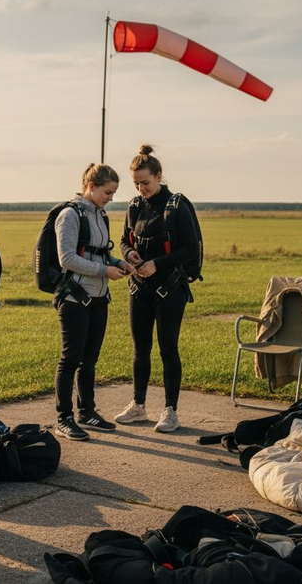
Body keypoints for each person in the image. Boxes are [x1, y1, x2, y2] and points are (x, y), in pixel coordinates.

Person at [114, 145, 199, 432]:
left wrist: (158, 264)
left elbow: (189, 249)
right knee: (140, 349)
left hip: (169, 289)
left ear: (159, 176)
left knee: (168, 349)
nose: (141, 189)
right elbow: (124, 240)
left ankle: (170, 411)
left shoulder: (177, 206)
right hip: (138, 288)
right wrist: (129, 255)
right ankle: (138, 406)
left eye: (146, 183)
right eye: (136, 183)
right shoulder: (135, 205)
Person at [50, 163, 133, 441]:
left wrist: (119, 262)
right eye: (108, 192)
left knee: (90, 360)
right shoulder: (70, 215)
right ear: (91, 186)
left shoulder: (101, 215)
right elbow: (68, 259)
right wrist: (104, 271)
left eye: (113, 193)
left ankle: (87, 412)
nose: (111, 197)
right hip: (75, 297)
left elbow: (99, 253)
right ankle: (64, 418)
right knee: (70, 359)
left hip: (99, 297)